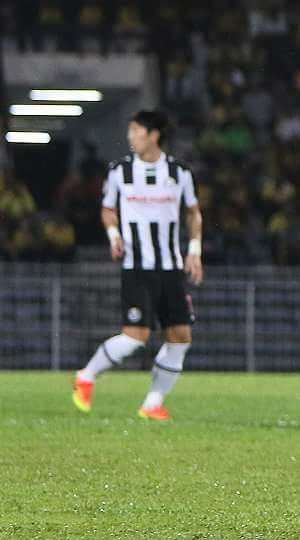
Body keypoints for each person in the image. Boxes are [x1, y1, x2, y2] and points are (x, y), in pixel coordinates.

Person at [71, 110, 203, 422]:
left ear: (153, 135)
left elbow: (193, 213)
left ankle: (152, 404)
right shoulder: (119, 171)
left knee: (181, 336)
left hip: (170, 267)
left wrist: (194, 250)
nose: (130, 136)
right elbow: (107, 210)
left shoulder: (179, 172)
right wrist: (114, 234)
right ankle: (86, 376)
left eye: (135, 130)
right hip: (137, 265)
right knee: (135, 337)